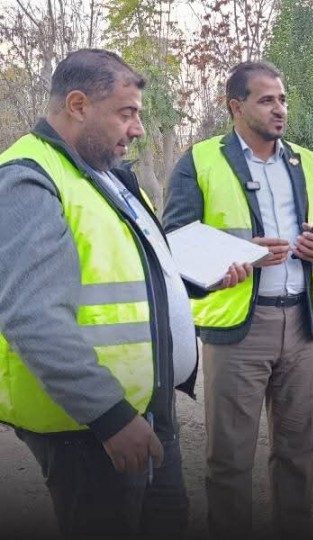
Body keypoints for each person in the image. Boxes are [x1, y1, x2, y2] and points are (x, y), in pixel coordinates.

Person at [0, 49, 251, 538]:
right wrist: (109, 416)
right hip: (90, 428)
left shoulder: (102, 173)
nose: (137, 129)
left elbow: (124, 270)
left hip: (145, 409)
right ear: (77, 105)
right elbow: (34, 317)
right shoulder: (26, 178)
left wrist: (194, 281)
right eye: (126, 113)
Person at [163, 61, 313, 537]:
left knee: (298, 453)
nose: (279, 109)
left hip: (303, 327)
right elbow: (174, 241)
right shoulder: (200, 160)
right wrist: (241, 250)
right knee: (229, 460)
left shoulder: (307, 161)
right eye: (266, 100)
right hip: (238, 332)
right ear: (236, 106)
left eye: (282, 99)